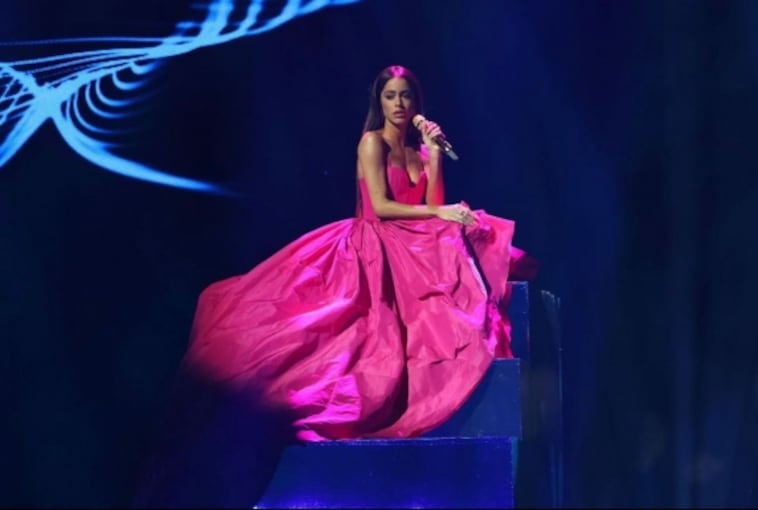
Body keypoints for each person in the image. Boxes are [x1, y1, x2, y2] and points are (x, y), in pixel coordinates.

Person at [134, 64, 536, 507]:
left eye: (406, 96)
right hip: (373, 238)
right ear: (378, 102)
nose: (399, 105)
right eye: (391, 96)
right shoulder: (371, 143)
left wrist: (435, 156)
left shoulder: (418, 150)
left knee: (467, 227)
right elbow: (382, 207)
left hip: (409, 235)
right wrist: (439, 216)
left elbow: (432, 203)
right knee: (442, 237)